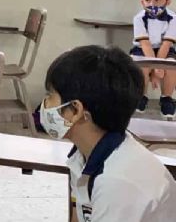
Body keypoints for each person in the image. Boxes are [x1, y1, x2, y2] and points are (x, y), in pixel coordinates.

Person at [40, 45, 176, 222]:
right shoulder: (83, 155)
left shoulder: (118, 182)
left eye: (50, 96)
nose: (44, 105)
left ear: (76, 110)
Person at [130, 0, 176, 119]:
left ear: (167, 1)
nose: (152, 4)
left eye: (157, 0)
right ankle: (141, 96)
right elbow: (145, 44)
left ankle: (166, 98)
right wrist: (155, 68)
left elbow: (166, 44)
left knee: (171, 67)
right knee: (142, 67)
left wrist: (158, 68)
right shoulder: (139, 18)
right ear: (142, 2)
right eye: (148, 0)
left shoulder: (173, 18)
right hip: (142, 49)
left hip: (164, 50)